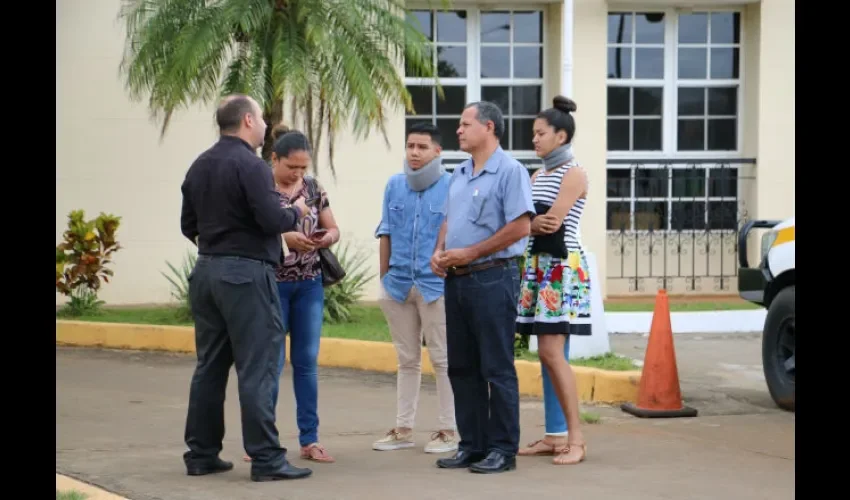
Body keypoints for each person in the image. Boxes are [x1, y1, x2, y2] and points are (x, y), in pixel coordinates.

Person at [179, 94, 313, 482]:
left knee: (210, 367)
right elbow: (272, 218)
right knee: (258, 366)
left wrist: (219, 245)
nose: (267, 127)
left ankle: (201, 454)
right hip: (247, 274)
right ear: (249, 121)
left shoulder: (199, 165)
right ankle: (267, 460)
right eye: (262, 120)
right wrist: (296, 212)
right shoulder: (251, 166)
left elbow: (188, 224)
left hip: (206, 273)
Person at [431, 101, 535, 474]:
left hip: (493, 276)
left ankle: (502, 449)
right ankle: (471, 445)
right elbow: (449, 219)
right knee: (462, 367)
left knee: (496, 367)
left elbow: (521, 225)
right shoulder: (458, 172)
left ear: (488, 127)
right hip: (457, 281)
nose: (458, 130)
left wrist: (471, 251)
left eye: (465, 124)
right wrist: (439, 251)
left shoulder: (510, 171)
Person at [241, 123, 340, 464]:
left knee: (306, 363)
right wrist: (284, 239)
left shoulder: (313, 187)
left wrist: (327, 237)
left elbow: (333, 226)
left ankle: (310, 440)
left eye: (302, 168)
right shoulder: (260, 186)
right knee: (269, 363)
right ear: (274, 158)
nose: (296, 174)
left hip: (309, 283)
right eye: (290, 167)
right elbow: (249, 234)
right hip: (272, 284)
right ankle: (261, 443)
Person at [372, 122, 458, 454]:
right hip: (397, 285)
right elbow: (386, 232)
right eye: (410, 146)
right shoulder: (394, 185)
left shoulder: (453, 185)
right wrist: (384, 279)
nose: (414, 153)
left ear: (437, 151)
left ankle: (447, 430)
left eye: (422, 147)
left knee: (444, 360)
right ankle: (403, 428)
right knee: (407, 360)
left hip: (435, 284)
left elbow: (453, 233)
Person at [515, 96, 589, 465]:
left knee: (551, 352)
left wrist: (526, 224)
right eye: (534, 134)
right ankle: (554, 435)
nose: (535, 139)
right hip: (538, 265)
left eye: (541, 133)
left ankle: (576, 439)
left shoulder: (574, 173)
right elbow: (531, 224)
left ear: (561, 136)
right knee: (546, 354)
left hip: (560, 266)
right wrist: (528, 224)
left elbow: (550, 223)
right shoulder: (537, 174)